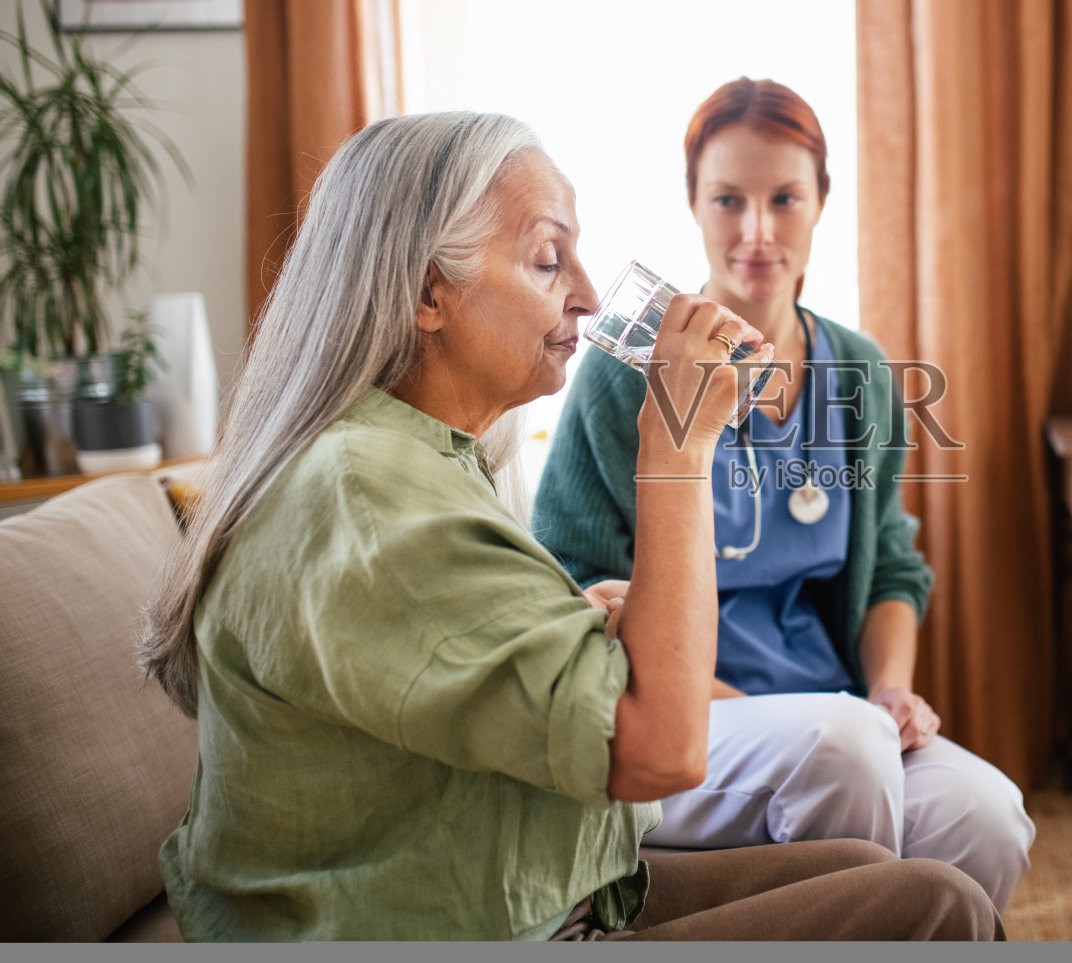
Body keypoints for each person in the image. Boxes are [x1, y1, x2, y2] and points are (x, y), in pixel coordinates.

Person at [135, 111, 1002, 941]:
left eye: (785, 198)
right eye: (549, 261)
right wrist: (678, 444)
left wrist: (572, 615)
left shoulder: (417, 462)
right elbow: (662, 747)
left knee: (893, 856)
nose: (588, 296)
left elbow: (891, 564)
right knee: (934, 907)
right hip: (472, 918)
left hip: (545, 886)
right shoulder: (371, 499)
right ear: (429, 293)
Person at [534, 78, 1036, 912]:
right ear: (692, 201)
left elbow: (892, 574)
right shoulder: (625, 380)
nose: (757, 232)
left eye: (785, 199)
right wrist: (815, 718)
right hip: (693, 717)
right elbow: (574, 591)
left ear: (822, 202)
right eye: (729, 199)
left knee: (987, 815)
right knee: (841, 751)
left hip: (839, 709)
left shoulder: (863, 374)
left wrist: (889, 693)